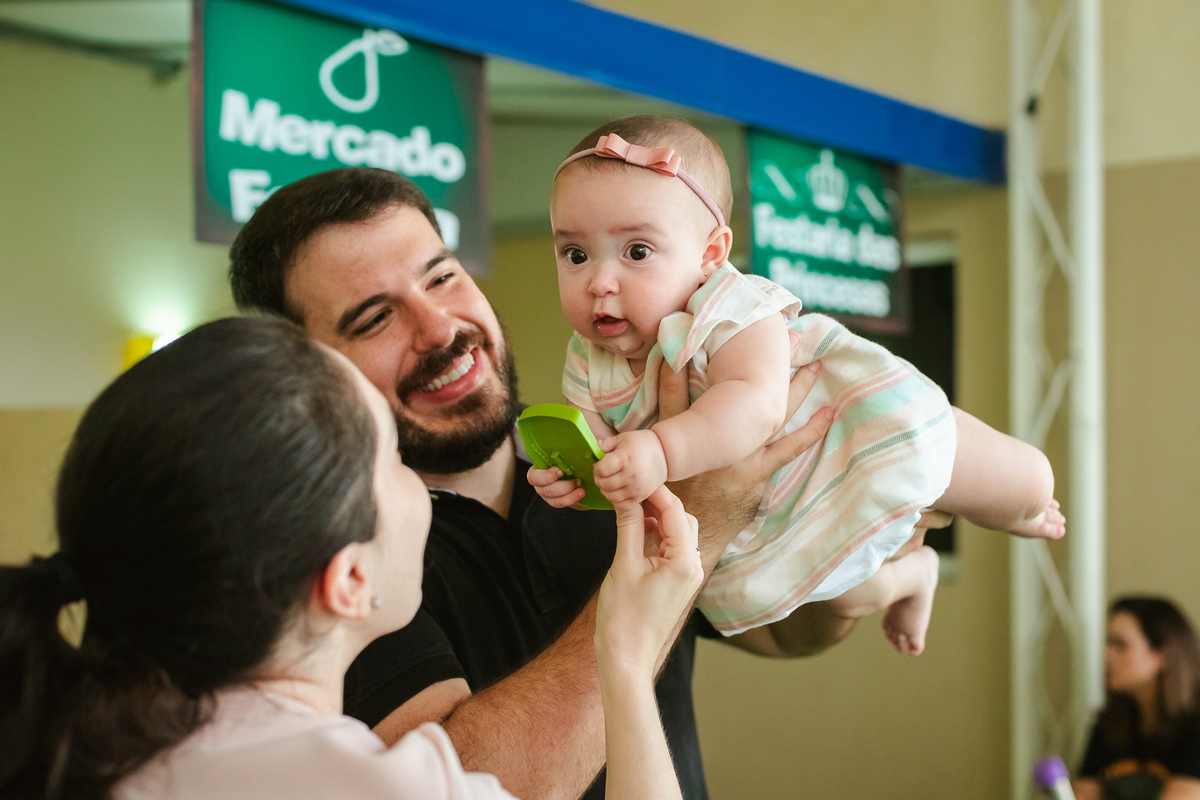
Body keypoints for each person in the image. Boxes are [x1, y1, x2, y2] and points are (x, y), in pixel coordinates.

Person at [227, 166, 840, 800]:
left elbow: (780, 631)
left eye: (441, 278)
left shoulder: (608, 445)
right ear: (307, 369)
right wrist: (700, 523)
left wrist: (853, 527)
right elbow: (465, 786)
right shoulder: (326, 560)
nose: (440, 328)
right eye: (375, 318)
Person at [0, 316, 706, 800]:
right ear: (350, 579)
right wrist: (624, 652)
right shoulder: (381, 788)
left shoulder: (90, 755)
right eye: (393, 461)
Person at [532, 114, 1066, 657]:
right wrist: (580, 483)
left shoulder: (728, 308)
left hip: (860, 425)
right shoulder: (587, 361)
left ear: (711, 256)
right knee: (840, 589)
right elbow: (610, 459)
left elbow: (755, 404)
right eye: (575, 255)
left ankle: (1030, 508)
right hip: (783, 508)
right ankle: (913, 576)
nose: (599, 281)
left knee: (1021, 483)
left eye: (637, 252)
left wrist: (659, 448)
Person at [1073, 596, 1200, 800]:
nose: (1105, 655)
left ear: (1162, 655)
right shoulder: (1109, 726)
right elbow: (1082, 794)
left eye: (1120, 645)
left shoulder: (1194, 726)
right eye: (1107, 643)